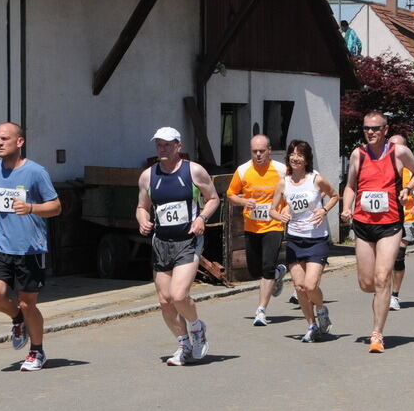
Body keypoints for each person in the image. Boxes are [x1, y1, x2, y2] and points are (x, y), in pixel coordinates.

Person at [0, 123, 62, 372]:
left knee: (28, 304)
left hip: (30, 250)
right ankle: (17, 320)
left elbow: (56, 207)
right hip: (2, 247)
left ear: (20, 142)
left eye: (5, 138)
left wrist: (31, 208)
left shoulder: (36, 172)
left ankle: (37, 351)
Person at [340, 112, 414, 353]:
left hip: (390, 225)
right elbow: (350, 186)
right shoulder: (358, 154)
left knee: (382, 277)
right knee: (367, 283)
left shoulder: (398, 152)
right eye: (367, 128)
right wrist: (346, 207)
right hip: (363, 224)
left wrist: (407, 188)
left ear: (385, 130)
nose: (371, 132)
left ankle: (377, 333)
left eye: (376, 128)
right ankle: (381, 298)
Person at [136, 127, 220, 365]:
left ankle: (196, 327)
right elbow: (142, 206)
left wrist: (201, 218)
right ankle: (183, 344)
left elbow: (213, 198)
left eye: (167, 145)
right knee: (164, 301)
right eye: (159, 145)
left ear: (178, 146)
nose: (162, 149)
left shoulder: (193, 171)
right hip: (161, 242)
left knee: (179, 295)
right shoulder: (148, 176)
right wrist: (143, 220)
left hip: (188, 240)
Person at [269, 140, 338, 341]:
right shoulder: (283, 183)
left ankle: (321, 309)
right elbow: (273, 209)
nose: (295, 157)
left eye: (300, 154)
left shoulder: (316, 179)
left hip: (316, 239)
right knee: (299, 286)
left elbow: (335, 195)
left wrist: (324, 210)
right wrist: (279, 216)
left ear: (307, 159)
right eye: (292, 154)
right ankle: (311, 324)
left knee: (310, 285)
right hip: (294, 239)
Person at [227, 135, 288, 326]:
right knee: (254, 269)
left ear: (269, 149)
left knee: (267, 266)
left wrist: (285, 210)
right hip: (251, 225)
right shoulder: (243, 170)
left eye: (262, 151)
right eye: (255, 151)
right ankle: (279, 273)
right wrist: (244, 201)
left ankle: (261, 310)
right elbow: (230, 194)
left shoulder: (281, 170)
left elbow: (291, 193)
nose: (258, 154)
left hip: (274, 225)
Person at [388, 134, 414, 310]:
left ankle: (394, 296)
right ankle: (383, 291)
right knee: (384, 260)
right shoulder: (382, 169)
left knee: (397, 257)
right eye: (390, 146)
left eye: (397, 147)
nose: (394, 150)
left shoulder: (412, 171)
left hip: (406, 219)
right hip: (385, 220)